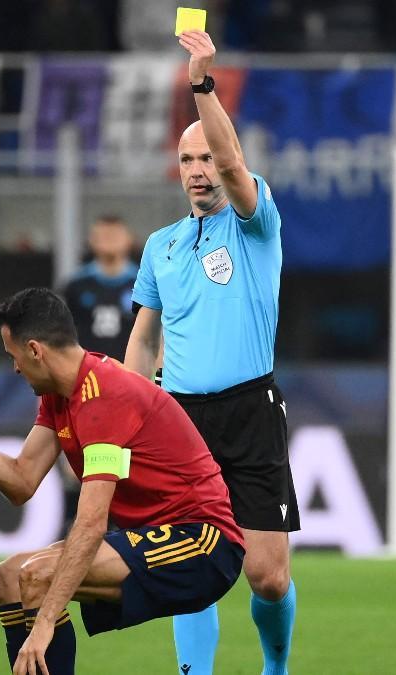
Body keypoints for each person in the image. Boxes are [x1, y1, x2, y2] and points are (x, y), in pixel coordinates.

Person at [0, 287, 244, 675]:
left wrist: (42, 626)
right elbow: (22, 482)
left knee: (37, 578)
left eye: (15, 356)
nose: (15, 369)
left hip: (203, 543)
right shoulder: (60, 394)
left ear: (36, 350)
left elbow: (91, 522)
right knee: (9, 577)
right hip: (150, 535)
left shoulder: (104, 395)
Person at [125, 30, 298, 675]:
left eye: (206, 158)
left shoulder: (256, 222)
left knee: (267, 577)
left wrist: (202, 85)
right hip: (180, 421)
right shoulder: (161, 246)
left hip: (250, 411)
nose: (199, 171)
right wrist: (126, 417)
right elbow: (144, 338)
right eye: (187, 161)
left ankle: (274, 668)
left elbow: (232, 165)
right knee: (192, 569)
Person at [60, 214, 138, 360]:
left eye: (114, 236)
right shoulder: (75, 285)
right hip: (87, 372)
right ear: (91, 240)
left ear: (129, 239)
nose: (109, 240)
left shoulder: (143, 283)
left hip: (131, 372)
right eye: (103, 236)